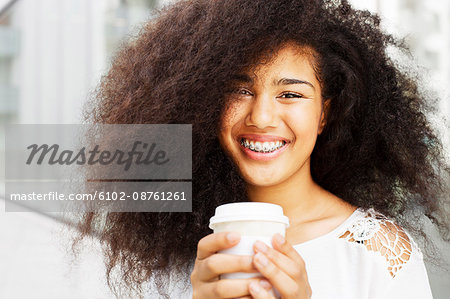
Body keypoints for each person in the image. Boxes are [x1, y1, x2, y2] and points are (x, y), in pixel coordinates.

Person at [72, 0, 450, 298]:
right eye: (240, 90)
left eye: (290, 94)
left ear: (324, 114)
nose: (263, 116)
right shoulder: (165, 249)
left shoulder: (377, 255)